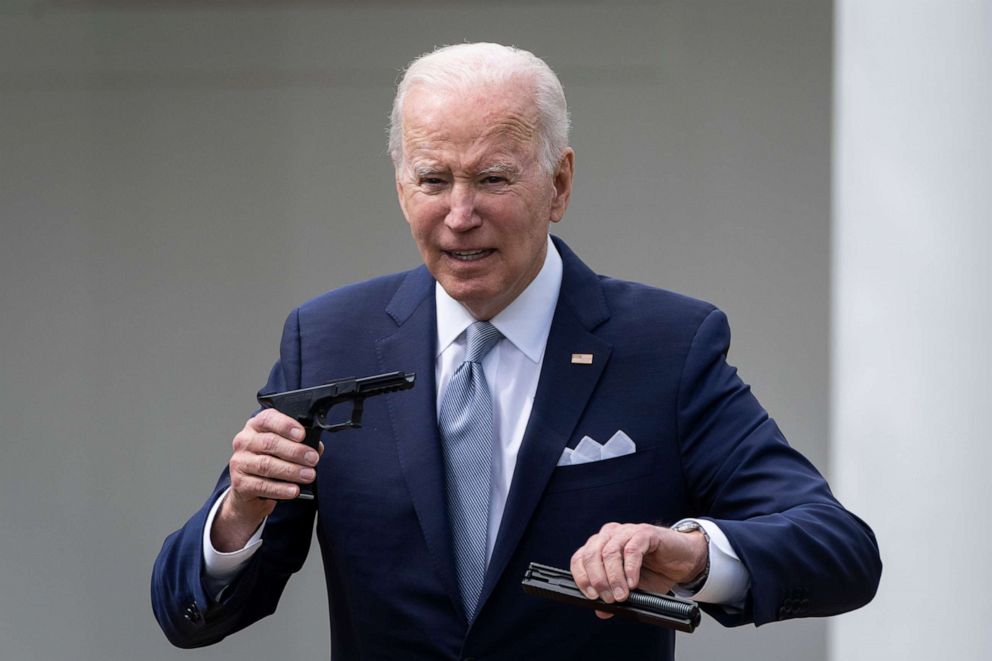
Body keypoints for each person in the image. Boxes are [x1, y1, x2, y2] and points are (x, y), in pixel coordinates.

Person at [152, 43, 880, 660]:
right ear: (401, 186)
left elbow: (837, 548)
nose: (460, 215)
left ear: (559, 183)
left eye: (493, 178)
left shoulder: (665, 345)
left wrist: (689, 554)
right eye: (433, 179)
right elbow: (193, 610)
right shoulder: (327, 339)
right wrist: (238, 514)